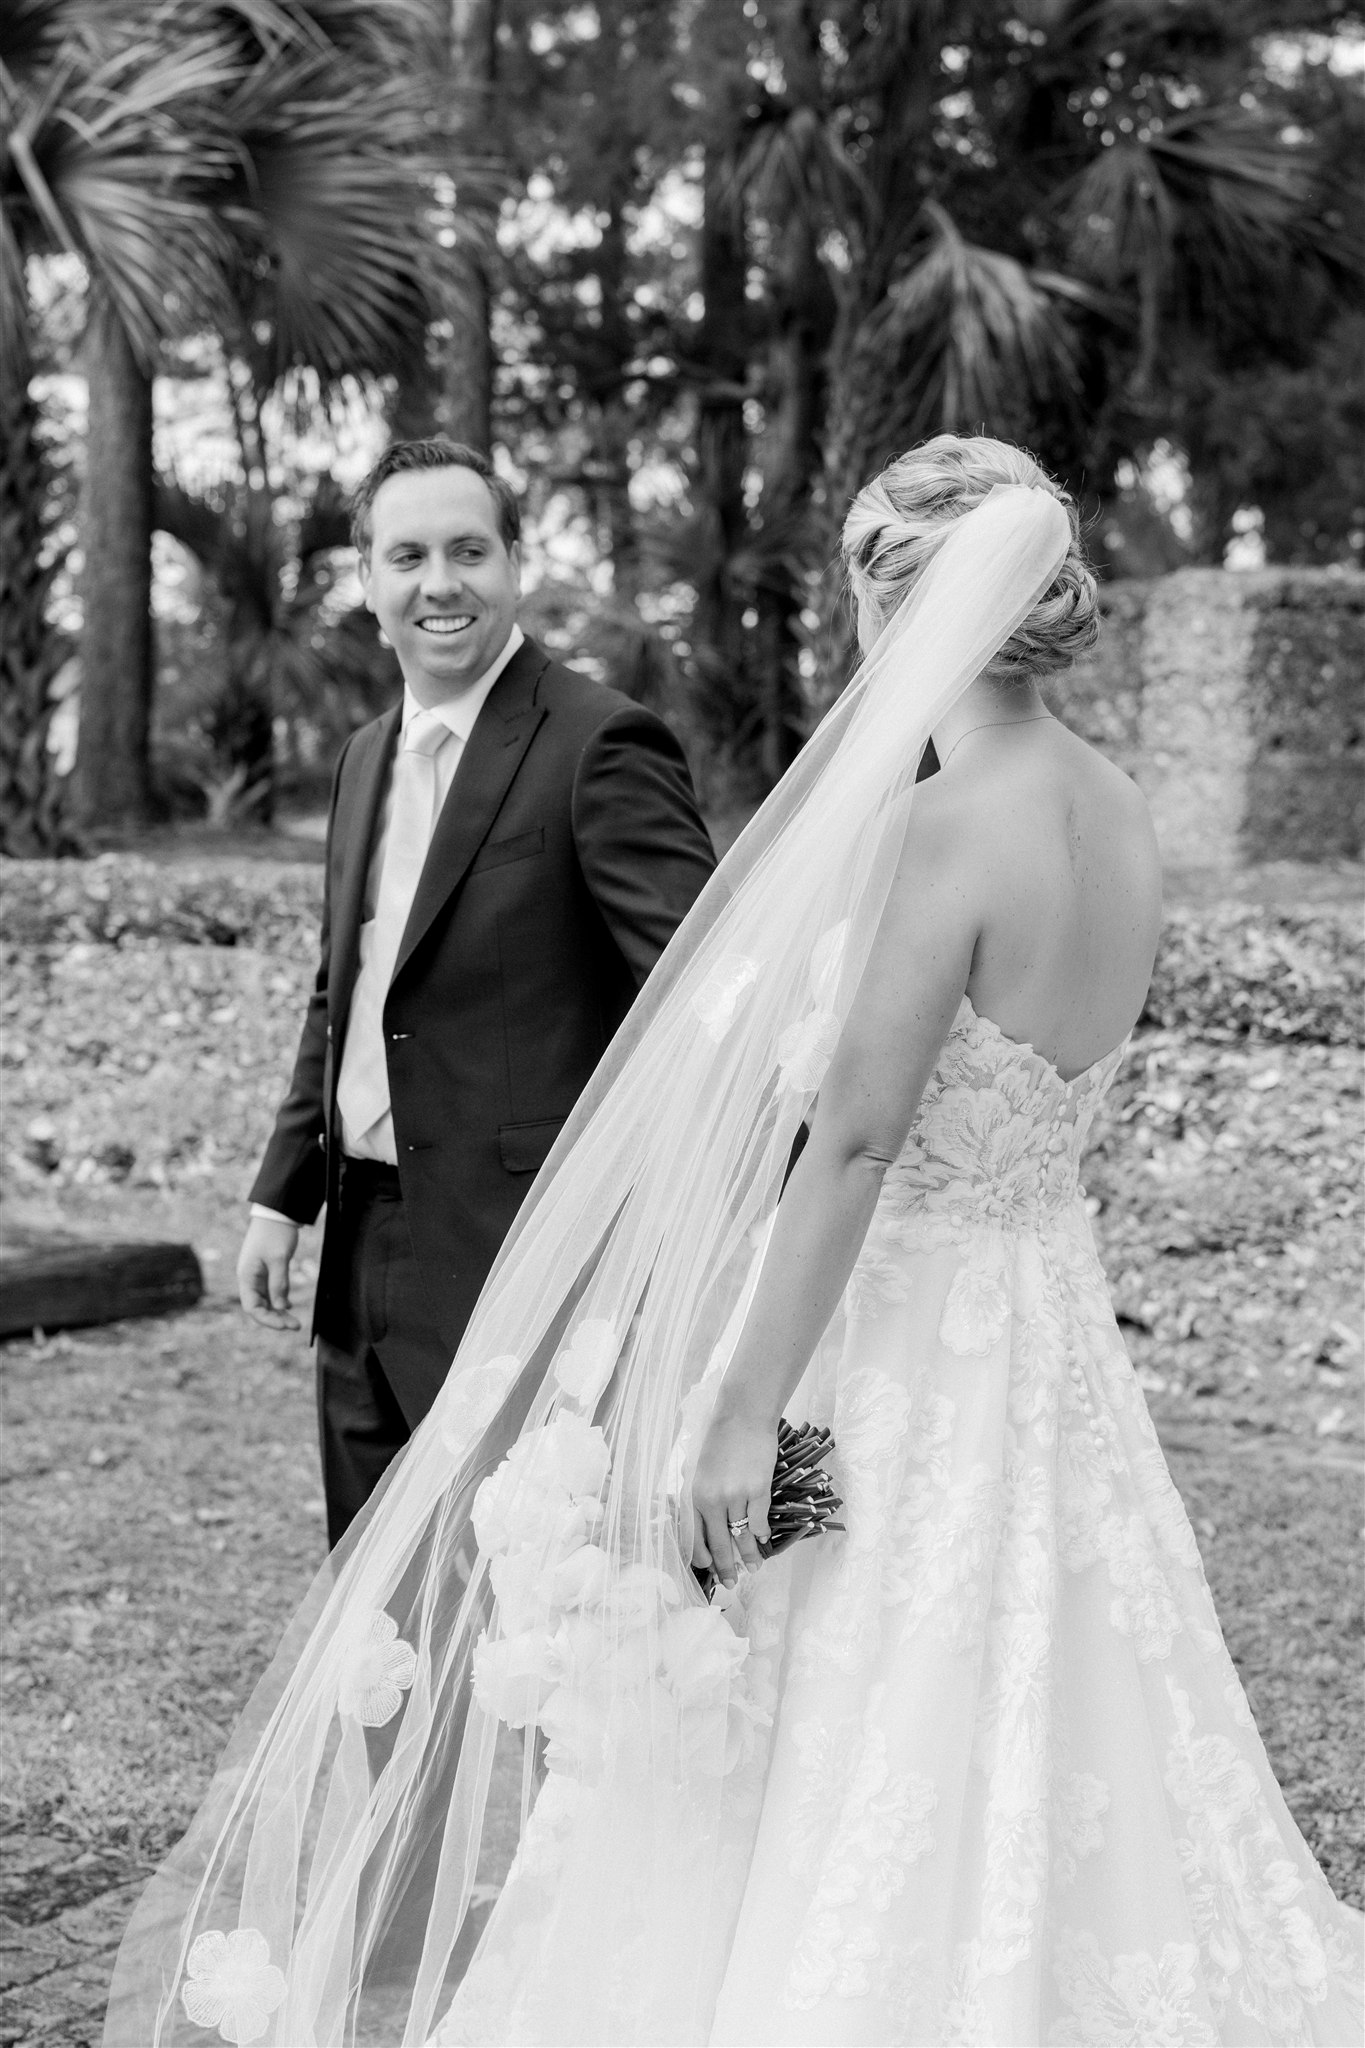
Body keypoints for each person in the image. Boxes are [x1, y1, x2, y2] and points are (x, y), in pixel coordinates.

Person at [106, 438, 1361, 2048]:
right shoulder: (1121, 813)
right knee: (1059, 1669)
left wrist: (742, 1406)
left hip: (891, 1332)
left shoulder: (933, 828)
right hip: (1046, 1327)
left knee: (854, 1698)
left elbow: (854, 1142)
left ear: (906, 604)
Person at [236, 438, 715, 1545]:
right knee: (370, 1600)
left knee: (517, 1600)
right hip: (360, 1254)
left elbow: (700, 996)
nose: (438, 583)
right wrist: (281, 1198)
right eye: (407, 556)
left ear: (513, 564)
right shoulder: (362, 759)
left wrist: (663, 1226)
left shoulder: (601, 742)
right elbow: (347, 991)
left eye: (468, 550)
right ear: (368, 582)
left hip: (524, 1260)